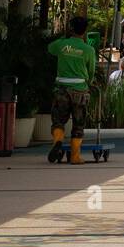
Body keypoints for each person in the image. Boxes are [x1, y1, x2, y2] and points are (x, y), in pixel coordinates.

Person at [47, 15, 96, 164]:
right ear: (85, 31)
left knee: (58, 120)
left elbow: (50, 49)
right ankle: (75, 156)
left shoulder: (62, 45)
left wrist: (64, 38)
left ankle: (58, 140)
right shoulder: (88, 49)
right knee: (78, 123)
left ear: (71, 29)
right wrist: (89, 82)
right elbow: (91, 71)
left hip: (61, 89)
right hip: (80, 90)